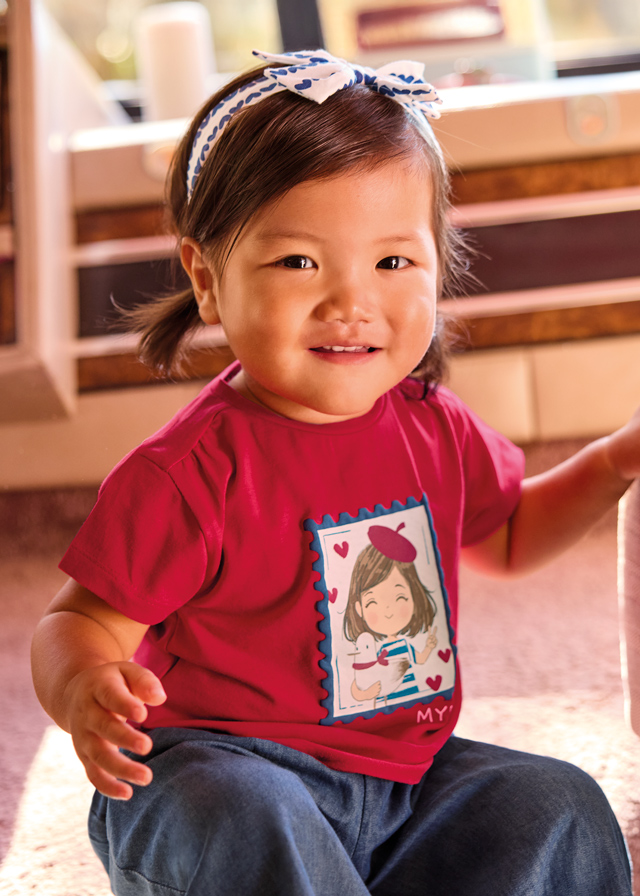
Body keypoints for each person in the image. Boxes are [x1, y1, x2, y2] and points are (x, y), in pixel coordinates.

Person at [31, 48, 639, 896]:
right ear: (207, 278)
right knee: (245, 814)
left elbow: (506, 537)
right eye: (298, 263)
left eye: (392, 263)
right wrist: (86, 686)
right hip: (223, 771)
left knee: (555, 803)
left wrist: (612, 462)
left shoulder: (431, 424)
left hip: (403, 785)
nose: (351, 303)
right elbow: (78, 621)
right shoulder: (190, 472)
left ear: (437, 266)